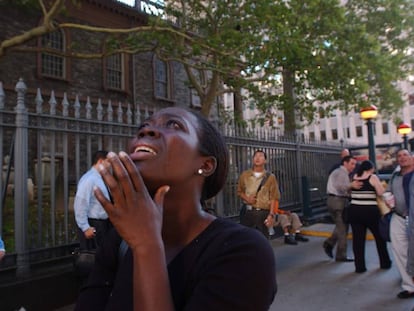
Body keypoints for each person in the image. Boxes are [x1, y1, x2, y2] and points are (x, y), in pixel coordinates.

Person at [75, 107, 277, 311]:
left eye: (174, 125)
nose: (146, 132)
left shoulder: (244, 251)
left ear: (206, 165)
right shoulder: (118, 240)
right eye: (143, 127)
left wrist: (146, 245)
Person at [237, 150, 308, 244]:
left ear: (265, 160)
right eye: (256, 156)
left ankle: (294, 234)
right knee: (245, 240)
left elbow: (274, 198)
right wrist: (247, 198)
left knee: (263, 241)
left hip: (263, 212)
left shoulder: (270, 177)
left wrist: (271, 215)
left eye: (261, 156)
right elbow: (239, 192)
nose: (258, 158)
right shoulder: (245, 175)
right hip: (248, 211)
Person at [348, 160, 392, 273]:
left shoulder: (355, 177)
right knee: (379, 237)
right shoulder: (372, 177)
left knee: (358, 240)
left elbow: (349, 192)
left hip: (354, 210)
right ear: (371, 168)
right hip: (370, 212)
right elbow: (381, 192)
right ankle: (385, 262)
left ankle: (360, 267)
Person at [385, 149, 414, 298]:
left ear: (411, 158)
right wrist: (388, 198)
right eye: (399, 156)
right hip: (398, 217)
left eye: (405, 155)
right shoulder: (395, 176)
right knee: (400, 250)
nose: (402, 158)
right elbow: (388, 191)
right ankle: (409, 286)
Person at [74, 150, 112, 250]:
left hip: (103, 225)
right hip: (94, 225)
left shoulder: (99, 179)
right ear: (100, 161)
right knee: (92, 258)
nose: (110, 165)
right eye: (108, 162)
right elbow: (80, 203)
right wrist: (85, 227)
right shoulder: (89, 179)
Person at [323, 155, 359, 262]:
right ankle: (341, 254)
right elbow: (341, 187)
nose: (354, 166)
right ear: (345, 163)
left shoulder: (339, 172)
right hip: (338, 201)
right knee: (343, 229)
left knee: (340, 226)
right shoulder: (341, 172)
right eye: (352, 164)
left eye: (355, 164)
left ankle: (329, 244)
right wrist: (351, 185)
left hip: (334, 200)